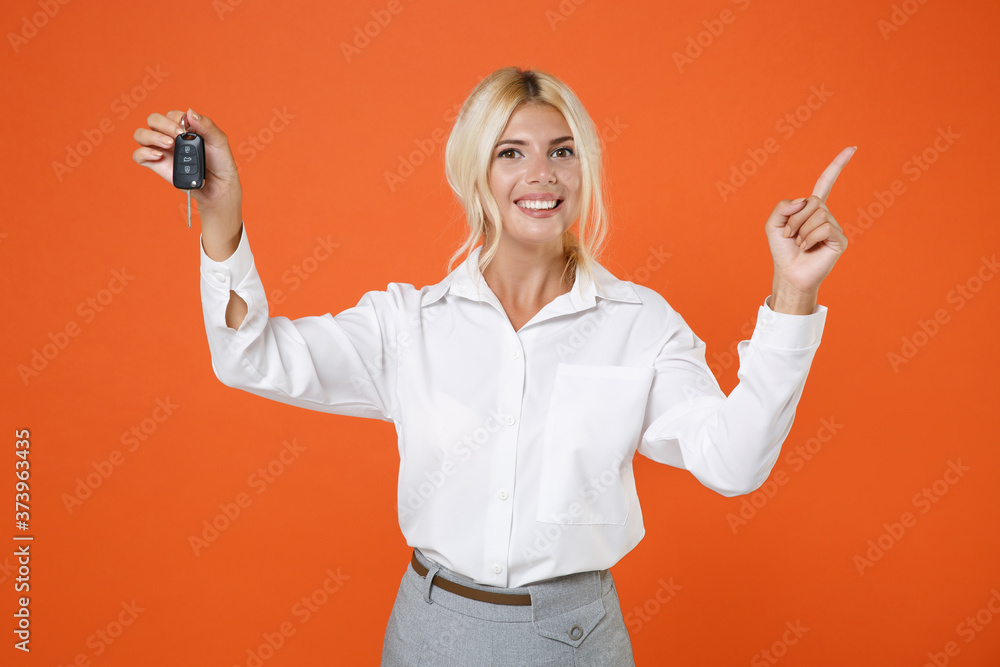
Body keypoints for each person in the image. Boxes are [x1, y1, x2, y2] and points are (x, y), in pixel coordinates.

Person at [132, 66, 854, 666]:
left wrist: (793, 294)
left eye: (562, 150)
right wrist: (220, 213)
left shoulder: (641, 325)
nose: (540, 173)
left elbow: (733, 463)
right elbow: (250, 356)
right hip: (431, 631)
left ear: (584, 169)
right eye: (511, 151)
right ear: (474, 171)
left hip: (576, 639)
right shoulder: (407, 324)